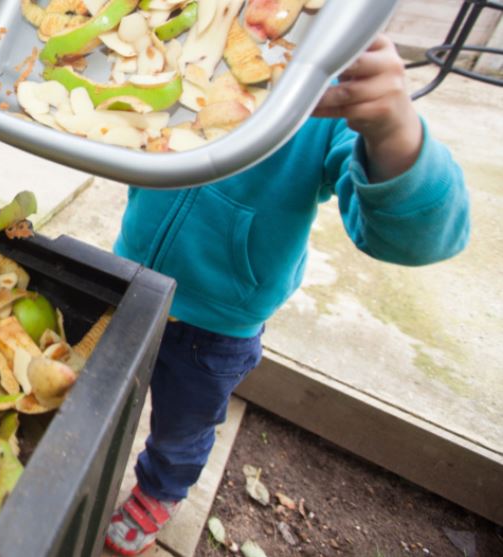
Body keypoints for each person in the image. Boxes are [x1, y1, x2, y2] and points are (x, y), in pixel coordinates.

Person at [104, 34, 471, 556]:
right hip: (131, 275)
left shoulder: (324, 80)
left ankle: (161, 488)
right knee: (109, 390)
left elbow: (418, 236)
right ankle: (100, 455)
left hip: (216, 328)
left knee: (182, 426)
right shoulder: (184, 33)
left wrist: (392, 128)